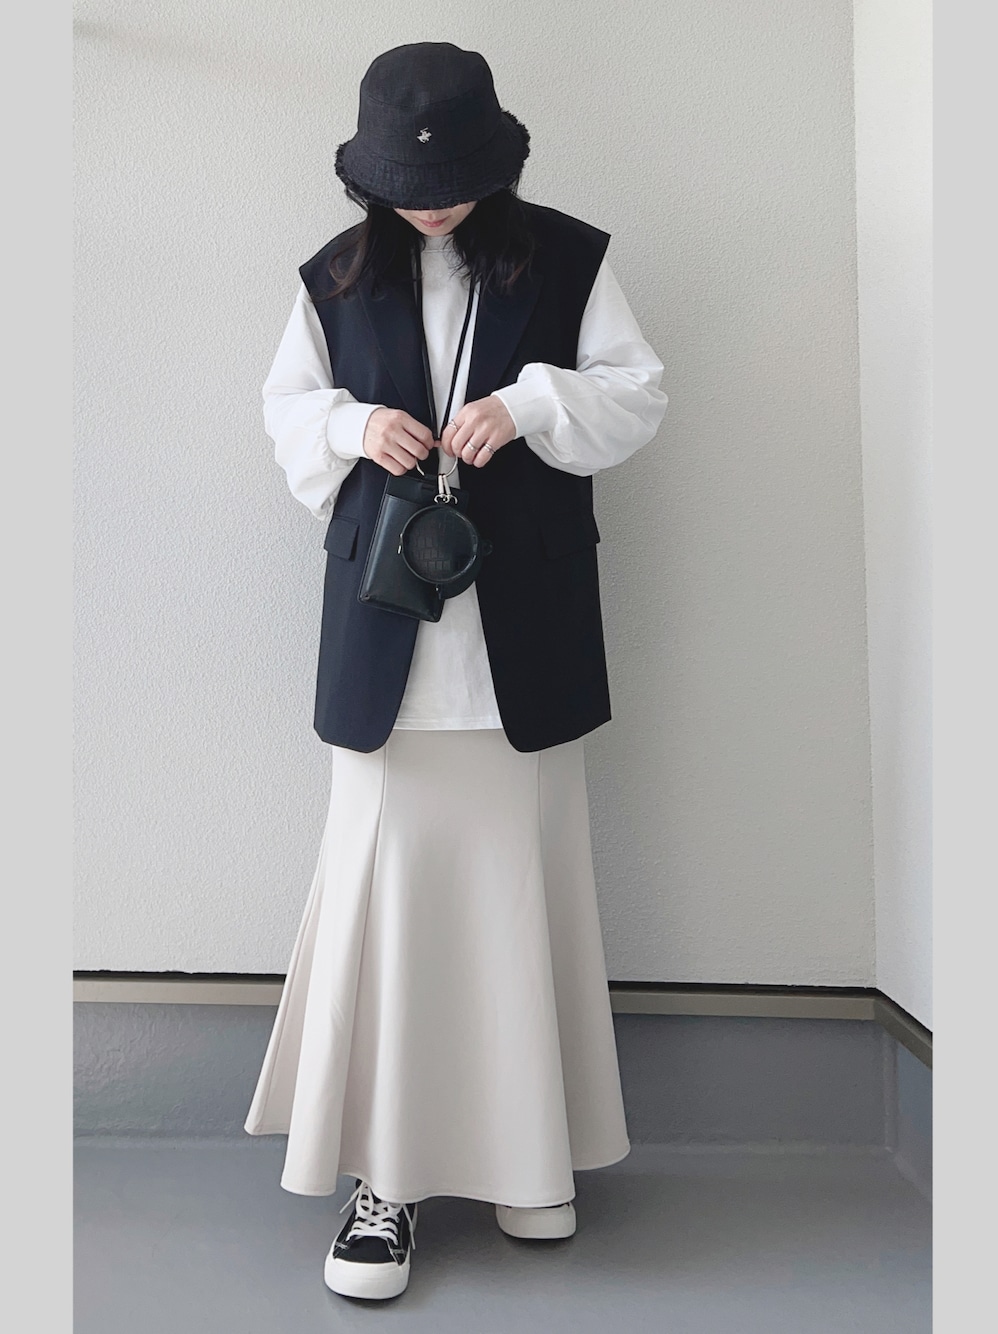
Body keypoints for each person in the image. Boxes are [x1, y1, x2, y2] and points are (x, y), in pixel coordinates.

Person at [244, 41, 668, 1301]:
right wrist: (349, 423)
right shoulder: (332, 275)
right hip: (390, 644)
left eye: (453, 182)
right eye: (407, 186)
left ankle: (529, 1159)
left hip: (521, 638)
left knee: (524, 901)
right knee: (390, 914)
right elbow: (285, 410)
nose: (430, 206)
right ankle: (386, 1182)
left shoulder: (572, 258)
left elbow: (637, 394)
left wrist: (529, 404)